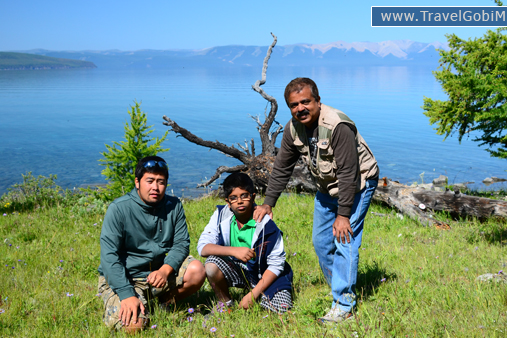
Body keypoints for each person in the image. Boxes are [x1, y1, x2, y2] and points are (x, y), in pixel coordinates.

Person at [254, 77, 379, 324]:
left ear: (318, 101)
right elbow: (281, 168)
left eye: (305, 102)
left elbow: (348, 174)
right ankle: (341, 290)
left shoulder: (337, 126)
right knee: (321, 242)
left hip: (357, 184)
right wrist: (269, 202)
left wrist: (343, 215)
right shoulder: (293, 129)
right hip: (326, 188)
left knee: (345, 240)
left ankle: (344, 304)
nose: (300, 108)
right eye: (293, 105)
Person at [98, 156, 206, 333]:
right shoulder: (119, 209)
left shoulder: (174, 205)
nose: (155, 187)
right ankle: (130, 305)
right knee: (134, 327)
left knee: (197, 270)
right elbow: (109, 257)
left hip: (157, 275)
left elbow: (181, 244)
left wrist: (165, 269)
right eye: (150, 181)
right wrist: (127, 294)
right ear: (137, 182)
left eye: (161, 182)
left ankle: (162, 304)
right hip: (125, 279)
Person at [197, 172, 293, 314]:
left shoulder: (266, 224)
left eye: (244, 196)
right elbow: (202, 248)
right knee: (211, 263)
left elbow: (276, 264)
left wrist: (253, 295)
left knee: (280, 308)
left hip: (266, 275)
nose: (239, 201)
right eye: (233, 198)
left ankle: (260, 295)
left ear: (253, 197)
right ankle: (225, 303)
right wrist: (234, 251)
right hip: (239, 269)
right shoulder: (221, 215)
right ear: (228, 202)